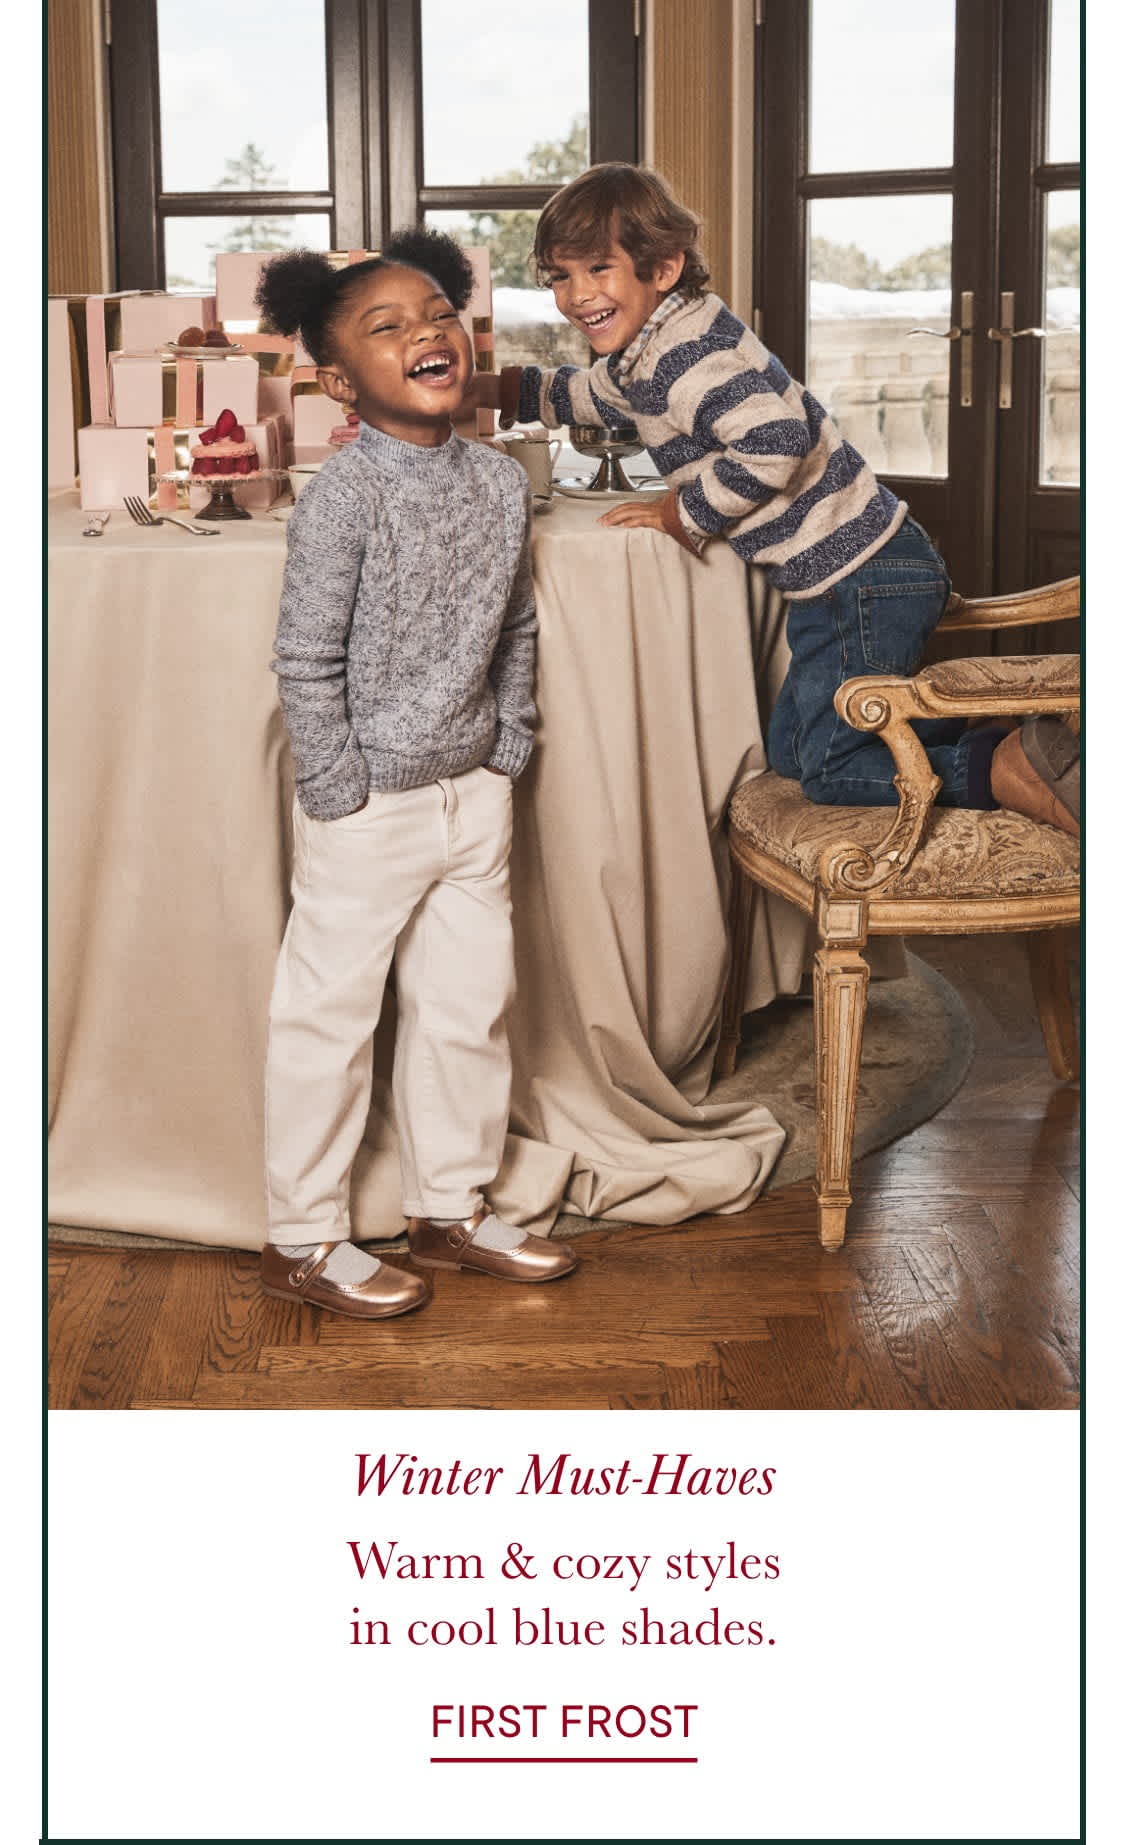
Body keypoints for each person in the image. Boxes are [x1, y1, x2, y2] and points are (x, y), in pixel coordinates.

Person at [476, 163, 1078, 836]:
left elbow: (777, 440)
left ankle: (997, 765)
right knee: (790, 750)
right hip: (846, 578)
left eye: (596, 269)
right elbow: (589, 394)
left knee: (825, 769)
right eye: (559, 276)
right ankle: (989, 729)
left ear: (663, 268)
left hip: (861, 579)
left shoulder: (687, 358)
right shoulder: (650, 350)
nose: (574, 294)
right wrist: (493, 391)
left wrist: (685, 510)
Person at [257, 231, 578, 1320]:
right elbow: (305, 655)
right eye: (386, 328)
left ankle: (451, 1205)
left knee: (465, 1009)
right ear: (341, 379)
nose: (425, 334)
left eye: (437, 312)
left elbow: (514, 627)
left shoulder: (496, 484)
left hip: (475, 793)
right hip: (371, 807)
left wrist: (508, 744)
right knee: (328, 1020)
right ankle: (302, 1232)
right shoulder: (346, 495)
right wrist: (341, 787)